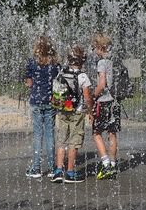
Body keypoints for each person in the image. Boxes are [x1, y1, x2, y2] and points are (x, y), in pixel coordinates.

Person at [49, 45, 92, 184]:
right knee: (73, 142)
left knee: (61, 141)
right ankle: (70, 172)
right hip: (77, 113)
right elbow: (87, 98)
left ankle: (58, 171)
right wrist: (90, 111)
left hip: (62, 111)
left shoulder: (61, 72)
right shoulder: (83, 76)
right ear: (82, 60)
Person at [24, 36, 59, 178]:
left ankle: (36, 168)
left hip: (36, 101)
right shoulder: (55, 64)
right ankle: (52, 168)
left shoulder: (31, 63)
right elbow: (58, 81)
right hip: (50, 102)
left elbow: (29, 83)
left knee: (38, 135)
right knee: (50, 134)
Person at [90, 33, 121, 179]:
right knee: (112, 133)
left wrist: (93, 96)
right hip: (114, 102)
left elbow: (102, 84)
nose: (94, 50)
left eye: (94, 47)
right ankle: (114, 165)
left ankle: (106, 163)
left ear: (100, 47)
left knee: (96, 133)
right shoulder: (113, 61)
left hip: (103, 102)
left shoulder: (102, 62)